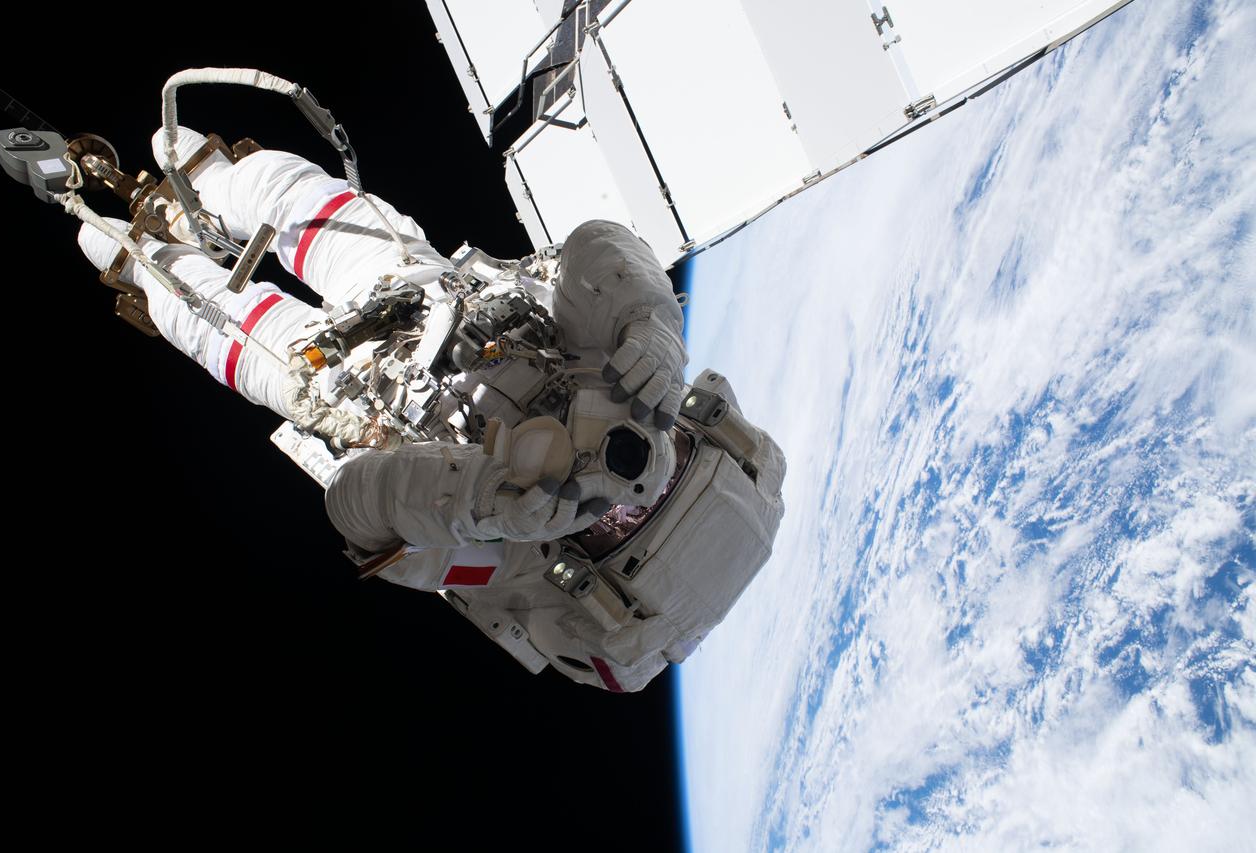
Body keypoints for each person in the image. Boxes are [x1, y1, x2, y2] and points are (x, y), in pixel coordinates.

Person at [78, 127, 786, 690]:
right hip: (415, 285)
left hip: (337, 382)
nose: (622, 486)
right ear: (688, 430)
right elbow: (597, 247)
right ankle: (205, 180)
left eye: (615, 525)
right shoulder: (624, 381)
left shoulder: (500, 558)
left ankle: (133, 252)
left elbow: (354, 506)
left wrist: (484, 499)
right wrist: (652, 327)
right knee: (292, 196)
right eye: (671, 463)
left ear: (576, 573)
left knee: (201, 308)